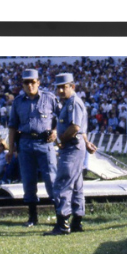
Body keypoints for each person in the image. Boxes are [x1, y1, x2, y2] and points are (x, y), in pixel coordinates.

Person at [7, 68, 60, 228]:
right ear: (22, 84)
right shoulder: (17, 102)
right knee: (28, 180)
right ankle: (32, 217)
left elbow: (61, 118)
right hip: (25, 143)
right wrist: (11, 149)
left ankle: (60, 216)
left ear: (38, 82)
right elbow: (12, 127)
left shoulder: (49, 98)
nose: (30, 85)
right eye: (26, 82)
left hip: (45, 143)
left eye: (32, 82)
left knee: (51, 179)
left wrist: (56, 132)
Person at [46, 72, 90, 235]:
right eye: (58, 88)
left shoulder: (73, 103)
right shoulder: (69, 103)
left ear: (72, 86)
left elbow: (75, 128)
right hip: (75, 147)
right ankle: (77, 221)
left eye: (64, 87)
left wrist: (61, 140)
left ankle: (62, 223)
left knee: (62, 183)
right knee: (77, 186)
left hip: (71, 147)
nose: (60, 91)